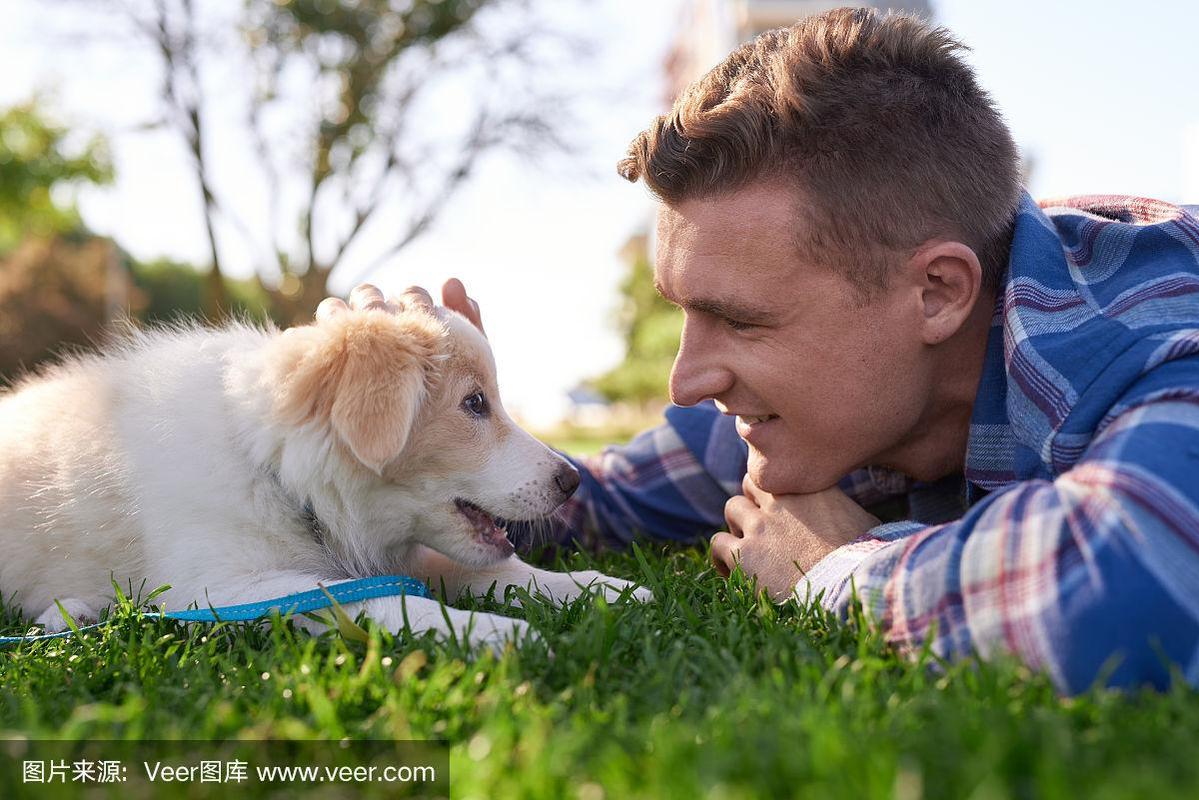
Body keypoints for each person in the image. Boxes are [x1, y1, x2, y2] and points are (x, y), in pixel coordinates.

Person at [333, 7, 1199, 694]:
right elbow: (563, 514)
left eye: (739, 321)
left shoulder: (1150, 326)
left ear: (936, 293)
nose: (685, 379)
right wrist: (404, 424)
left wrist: (834, 572)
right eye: (684, 315)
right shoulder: (810, 403)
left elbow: (1135, 586)